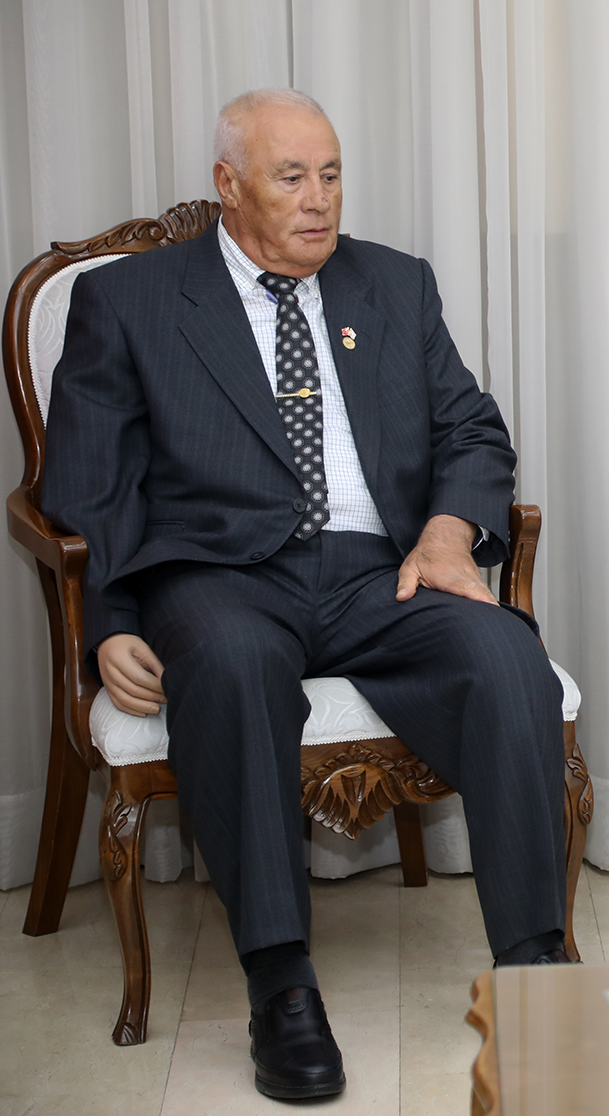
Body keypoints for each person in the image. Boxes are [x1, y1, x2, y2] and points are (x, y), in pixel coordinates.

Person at [42, 89, 570, 1101]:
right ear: (229, 185)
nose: (319, 199)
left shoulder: (395, 285)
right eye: (291, 178)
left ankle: (536, 964)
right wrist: (108, 621)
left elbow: (471, 430)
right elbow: (90, 482)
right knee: (236, 665)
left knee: (507, 657)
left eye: (330, 175)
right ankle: (282, 985)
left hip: (381, 572)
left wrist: (449, 533)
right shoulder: (132, 300)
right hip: (221, 577)